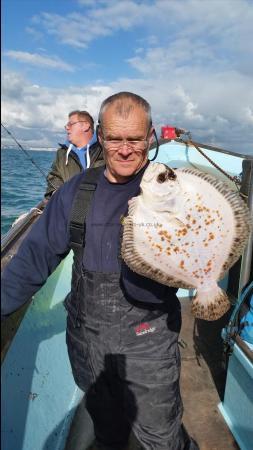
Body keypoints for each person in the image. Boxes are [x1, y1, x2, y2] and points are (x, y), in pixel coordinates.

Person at [2, 92, 198, 450]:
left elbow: (200, 253)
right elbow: (33, 260)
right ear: (101, 137)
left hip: (149, 342)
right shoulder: (76, 192)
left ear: (150, 136)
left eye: (135, 140)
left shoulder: (175, 192)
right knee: (107, 430)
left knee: (161, 437)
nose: (125, 150)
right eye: (116, 139)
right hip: (87, 342)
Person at [45, 110, 104, 198]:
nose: (67, 128)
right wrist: (55, 193)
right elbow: (54, 177)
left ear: (85, 126)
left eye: (71, 124)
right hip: (68, 207)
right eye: (66, 125)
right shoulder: (62, 154)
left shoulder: (105, 149)